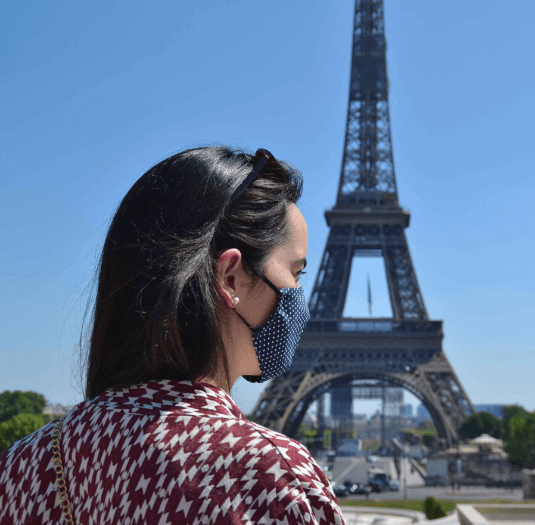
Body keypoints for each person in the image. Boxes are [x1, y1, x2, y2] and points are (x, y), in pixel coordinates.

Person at [0, 147, 345, 524]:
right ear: (230, 277)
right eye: (296, 274)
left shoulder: (19, 468)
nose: (298, 297)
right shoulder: (270, 477)